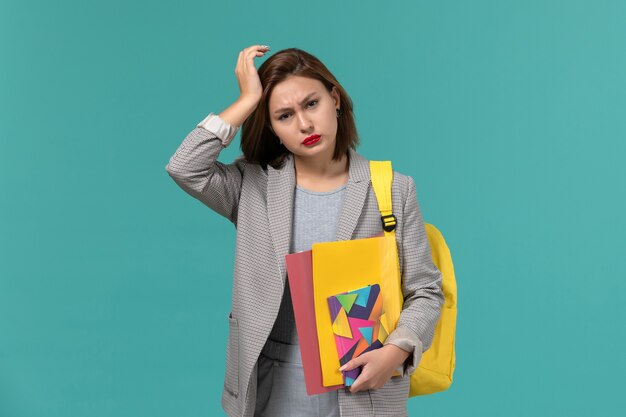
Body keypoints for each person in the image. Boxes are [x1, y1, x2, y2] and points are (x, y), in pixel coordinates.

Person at [165, 45, 444, 417]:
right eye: (284, 115)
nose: (304, 125)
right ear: (273, 128)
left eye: (311, 104)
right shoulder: (253, 186)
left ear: (335, 99)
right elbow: (185, 167)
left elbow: (425, 291)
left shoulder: (393, 188)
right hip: (272, 392)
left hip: (364, 392)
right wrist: (248, 99)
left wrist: (395, 353)